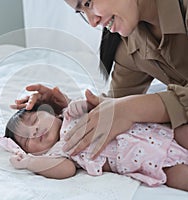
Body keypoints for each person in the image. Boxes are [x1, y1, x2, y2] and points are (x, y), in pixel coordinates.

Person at [11, 0, 188, 159]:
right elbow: (115, 108)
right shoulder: (129, 46)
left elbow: (125, 108)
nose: (92, 22)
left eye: (88, 3)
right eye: (82, 12)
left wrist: (130, 108)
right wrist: (65, 109)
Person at [5, 96, 188, 191]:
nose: (34, 131)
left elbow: (104, 106)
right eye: (26, 139)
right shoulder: (59, 152)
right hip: (147, 162)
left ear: (51, 112)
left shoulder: (71, 113)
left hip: (161, 131)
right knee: (180, 177)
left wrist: (84, 105)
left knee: (183, 130)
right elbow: (65, 170)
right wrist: (29, 162)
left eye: (34, 120)